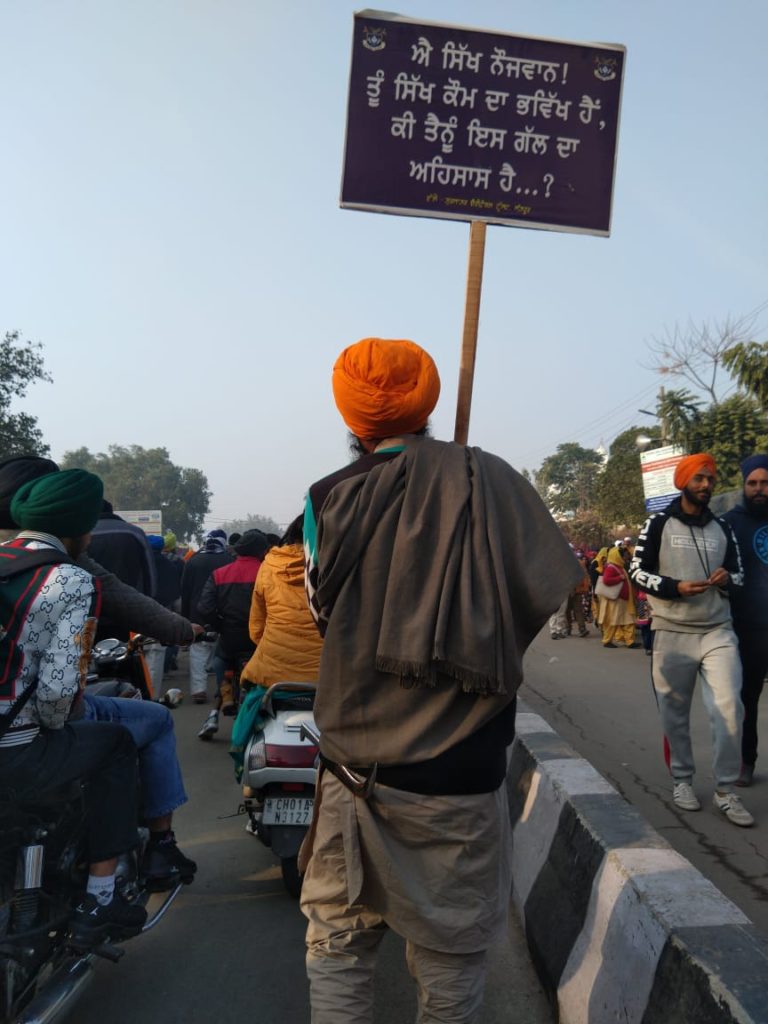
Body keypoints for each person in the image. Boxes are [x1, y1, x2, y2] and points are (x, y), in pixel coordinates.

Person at [300, 337, 581, 1023]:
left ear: (351, 418)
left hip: (354, 770)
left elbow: (322, 613)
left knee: (337, 945)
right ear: (427, 407)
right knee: (450, 962)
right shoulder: (494, 482)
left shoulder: (328, 497)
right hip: (464, 771)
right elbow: (544, 590)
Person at [0, 457, 199, 890]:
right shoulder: (70, 575)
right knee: (130, 735)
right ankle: (107, 886)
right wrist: (184, 630)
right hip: (25, 734)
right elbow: (57, 694)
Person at [0, 469, 148, 945]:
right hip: (16, 752)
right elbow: (59, 693)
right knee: (118, 745)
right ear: (79, 530)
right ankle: (100, 896)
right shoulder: (71, 580)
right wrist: (53, 725)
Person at [629, 453, 753, 827]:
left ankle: (726, 790)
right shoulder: (658, 523)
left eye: (710, 480)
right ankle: (682, 780)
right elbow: (636, 571)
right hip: (671, 631)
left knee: (730, 708)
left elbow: (741, 575)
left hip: (718, 631)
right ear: (682, 481)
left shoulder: (722, 529)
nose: (706, 485)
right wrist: (674, 587)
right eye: (699, 478)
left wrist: (727, 579)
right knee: (675, 714)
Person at [722, 454, 768, 787]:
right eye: (752, 483)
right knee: (747, 700)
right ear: (744, 485)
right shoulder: (730, 523)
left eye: (765, 483)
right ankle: (746, 761)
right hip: (749, 628)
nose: (759, 489)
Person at [196, 529, 268, 739]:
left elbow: (204, 607)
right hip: (258, 640)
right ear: (261, 551)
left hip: (229, 638)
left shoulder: (220, 574)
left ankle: (219, 705)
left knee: (220, 661)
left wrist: (220, 625)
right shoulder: (267, 572)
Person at [181, 529, 233, 703]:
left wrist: (186, 617)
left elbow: (185, 591)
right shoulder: (228, 559)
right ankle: (224, 690)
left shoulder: (193, 561)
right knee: (222, 653)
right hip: (223, 614)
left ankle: (198, 690)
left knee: (198, 652)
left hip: (197, 614)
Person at [597, 545, 638, 648]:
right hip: (616, 600)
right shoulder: (611, 567)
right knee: (613, 621)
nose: (625, 557)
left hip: (623, 599)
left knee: (628, 621)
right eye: (622, 555)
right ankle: (607, 641)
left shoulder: (619, 566)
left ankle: (630, 641)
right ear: (616, 556)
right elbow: (607, 581)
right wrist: (620, 577)